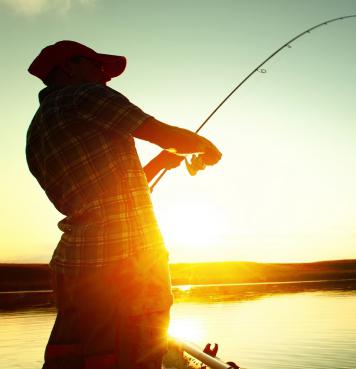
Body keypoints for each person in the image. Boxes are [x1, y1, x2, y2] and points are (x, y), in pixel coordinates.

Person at [26, 40, 222, 369]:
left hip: (73, 264)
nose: (105, 76)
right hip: (125, 258)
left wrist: (160, 163)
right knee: (136, 352)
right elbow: (157, 131)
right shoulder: (85, 95)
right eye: (97, 67)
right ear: (69, 68)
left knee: (77, 355)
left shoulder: (37, 129)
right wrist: (206, 147)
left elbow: (101, 195)